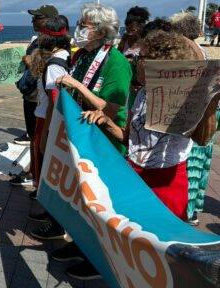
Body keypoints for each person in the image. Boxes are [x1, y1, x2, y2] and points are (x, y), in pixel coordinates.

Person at [35, 3, 131, 281]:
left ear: (100, 31)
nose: (78, 28)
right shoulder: (82, 56)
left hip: (105, 144)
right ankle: (80, 245)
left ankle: (99, 260)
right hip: (80, 138)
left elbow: (109, 108)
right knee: (81, 198)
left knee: (99, 204)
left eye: (84, 25)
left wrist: (76, 85)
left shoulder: (116, 63)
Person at [82, 30, 219, 222]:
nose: (135, 62)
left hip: (167, 185)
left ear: (157, 63)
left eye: (140, 58)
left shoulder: (185, 98)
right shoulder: (142, 94)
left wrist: (211, 100)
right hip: (135, 179)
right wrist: (106, 122)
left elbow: (203, 139)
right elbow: (129, 140)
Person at [24, 16, 71, 226]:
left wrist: (45, 134)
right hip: (51, 120)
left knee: (45, 163)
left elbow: (54, 100)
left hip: (46, 119)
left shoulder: (54, 65)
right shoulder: (67, 56)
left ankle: (51, 212)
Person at [169, 11, 213, 225]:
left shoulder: (186, 49)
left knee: (189, 165)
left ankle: (185, 212)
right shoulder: (201, 50)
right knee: (197, 166)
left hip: (190, 117)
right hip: (203, 115)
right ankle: (192, 211)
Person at [9, 5, 58, 186]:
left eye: (37, 17)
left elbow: (48, 70)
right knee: (32, 136)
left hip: (39, 98)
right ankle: (33, 171)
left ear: (48, 20)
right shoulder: (38, 40)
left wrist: (30, 62)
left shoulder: (51, 43)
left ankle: (37, 175)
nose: (32, 20)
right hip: (30, 94)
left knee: (39, 138)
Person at [117, 6, 149, 108]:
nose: (129, 33)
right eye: (127, 28)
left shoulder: (147, 42)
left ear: (141, 27)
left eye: (133, 30)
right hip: (126, 85)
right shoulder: (125, 39)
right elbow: (118, 56)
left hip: (140, 87)